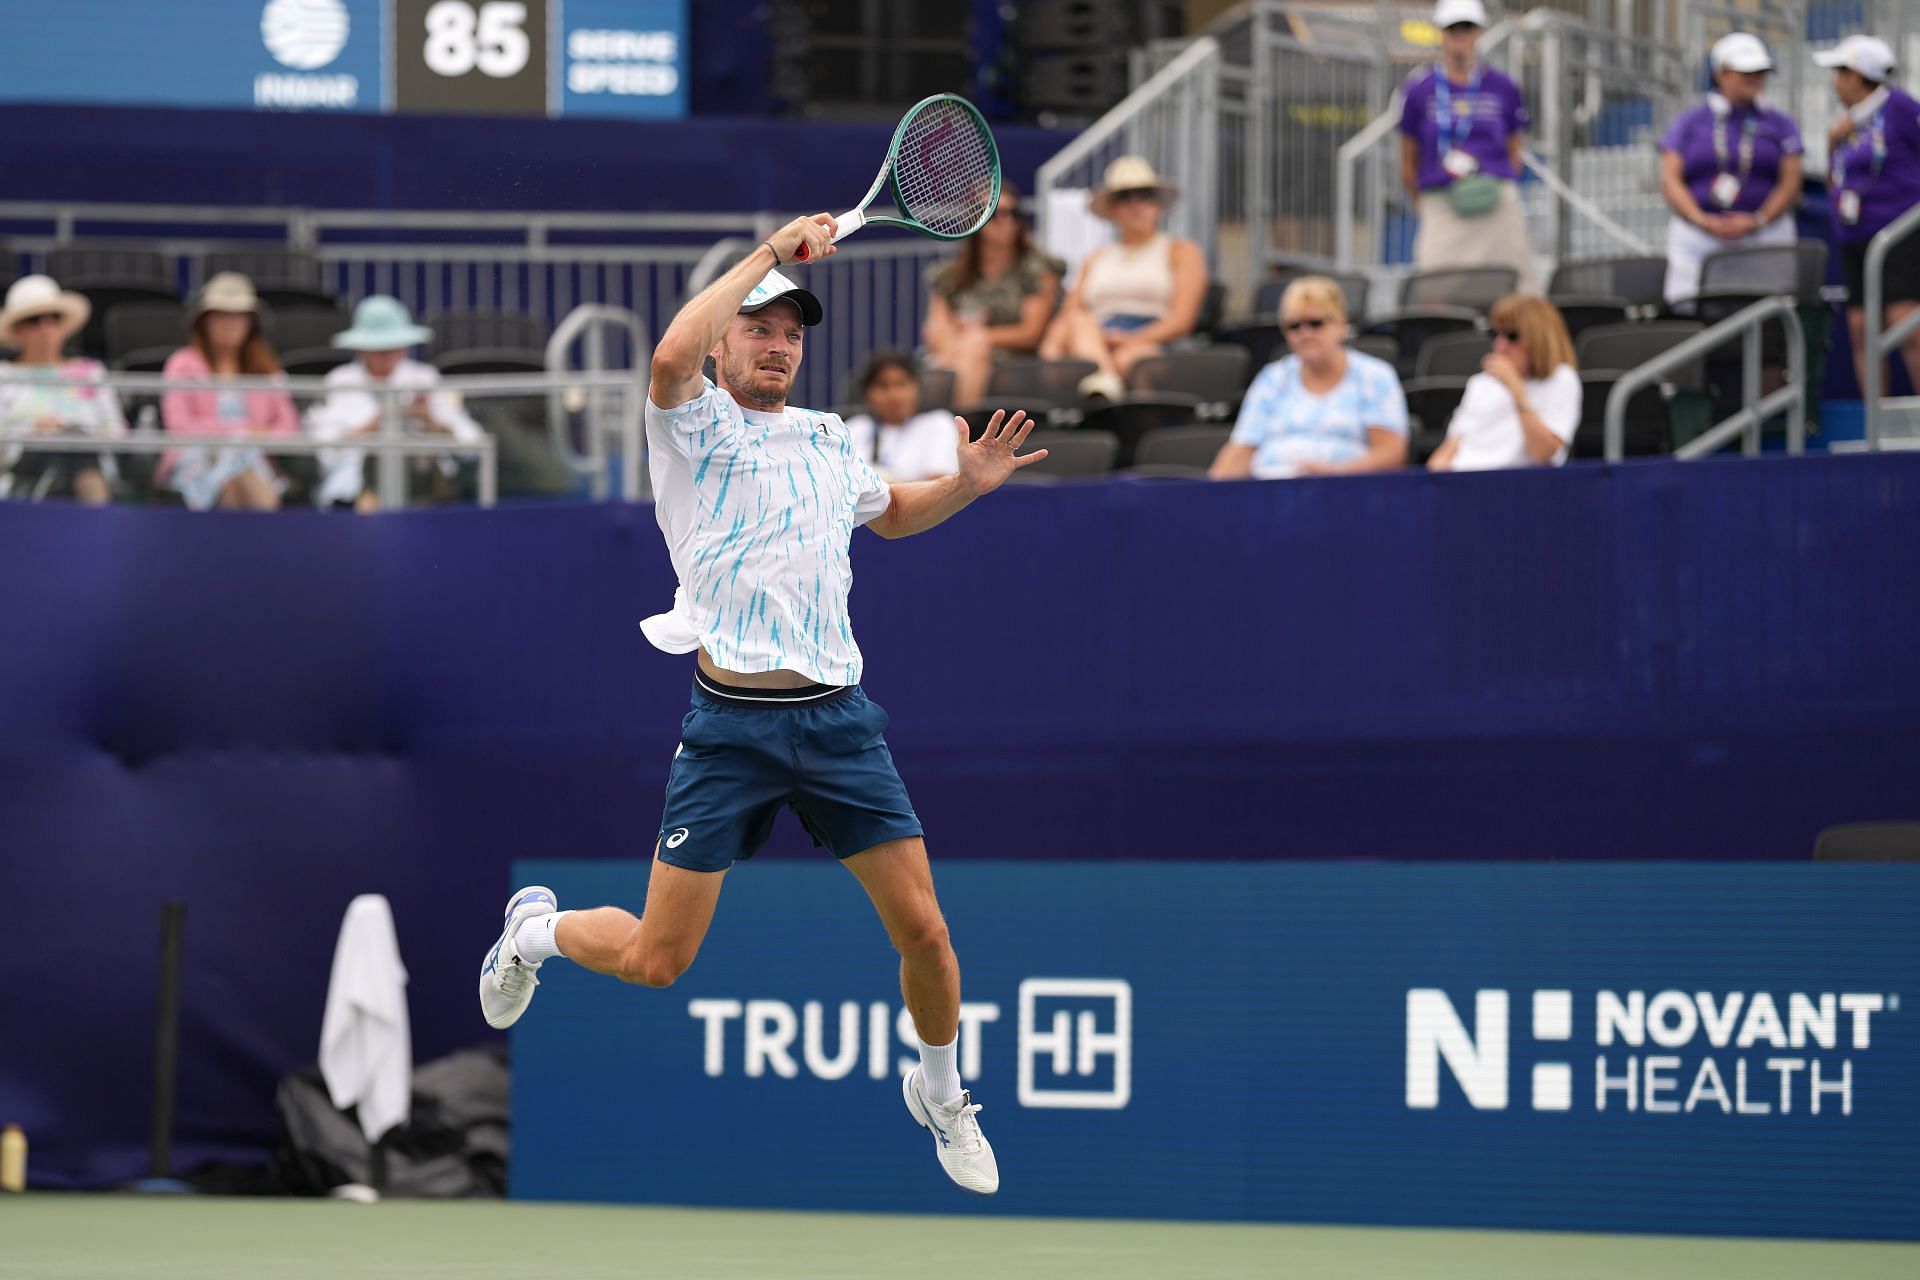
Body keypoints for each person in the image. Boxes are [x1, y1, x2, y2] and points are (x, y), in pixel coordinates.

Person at [475, 214, 1046, 1196]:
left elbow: (896, 514)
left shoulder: (828, 438)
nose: (778, 342)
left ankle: (942, 1092)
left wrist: (969, 483)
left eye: (791, 332)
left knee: (927, 931)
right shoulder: (687, 423)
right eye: (760, 327)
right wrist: (769, 254)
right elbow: (665, 354)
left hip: (838, 723)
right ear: (728, 338)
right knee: (658, 960)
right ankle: (533, 931)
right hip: (731, 729)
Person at [1038, 155, 1208, 401]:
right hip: (1095, 339)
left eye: (1145, 196)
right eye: (1125, 198)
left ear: (1158, 205)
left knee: (1132, 359)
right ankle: (1106, 376)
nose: (1136, 205)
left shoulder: (1182, 250)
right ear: (1113, 209)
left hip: (1157, 339)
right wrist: (1053, 348)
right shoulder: (1095, 257)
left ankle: (1108, 387)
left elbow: (1182, 320)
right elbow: (1071, 311)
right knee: (1075, 325)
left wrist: (1129, 340)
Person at [1398, 0, 1539, 292]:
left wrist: (1494, 182)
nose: (1460, 35)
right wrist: (1427, 199)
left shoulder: (1503, 86)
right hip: (1442, 203)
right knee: (1434, 291)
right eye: (1453, 28)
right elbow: (1408, 160)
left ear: (1479, 32)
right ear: (1440, 32)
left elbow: (1515, 150)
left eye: (1467, 27)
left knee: (1516, 290)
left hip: (1495, 202)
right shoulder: (1419, 90)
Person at [1209, 276, 1408, 479]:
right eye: (1294, 326)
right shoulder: (1272, 378)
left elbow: (1390, 454)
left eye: (1316, 323)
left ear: (1341, 324)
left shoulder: (1373, 376)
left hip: (1345, 495)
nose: (1305, 333)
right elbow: (1241, 449)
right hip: (1269, 495)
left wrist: (1334, 473)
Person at [1660, 32, 1805, 308]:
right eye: (1745, 71)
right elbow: (1670, 180)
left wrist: (1758, 220)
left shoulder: (1780, 124)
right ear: (1721, 74)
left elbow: (1790, 183)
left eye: (1759, 72)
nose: (1754, 78)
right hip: (1699, 239)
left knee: (1770, 315)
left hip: (1765, 237)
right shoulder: (1690, 122)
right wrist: (1701, 219)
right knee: (1690, 312)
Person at [305, 296, 486, 511]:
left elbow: (472, 444)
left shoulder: (425, 378)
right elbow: (323, 449)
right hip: (350, 502)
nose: (387, 353)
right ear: (361, 347)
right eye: (378, 347)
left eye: (393, 345)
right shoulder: (339, 382)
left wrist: (431, 422)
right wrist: (374, 425)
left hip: (426, 500)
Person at [1817, 34, 1920, 397]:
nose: (1834, 84)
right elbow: (1835, 180)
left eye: (1840, 73)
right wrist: (1832, 142)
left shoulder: (1901, 107)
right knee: (1861, 328)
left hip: (1899, 235)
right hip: (1854, 238)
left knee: (1904, 323)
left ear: (1858, 76)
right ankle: (1874, 425)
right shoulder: (1846, 124)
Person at [159, 273, 299, 511]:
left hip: (257, 462)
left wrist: (256, 438)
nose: (230, 324)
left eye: (239, 317)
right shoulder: (182, 364)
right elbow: (180, 426)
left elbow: (289, 428)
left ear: (250, 324)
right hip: (196, 460)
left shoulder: (267, 368)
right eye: (221, 316)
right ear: (205, 322)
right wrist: (241, 432)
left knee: (242, 473)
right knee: (235, 477)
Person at [921, 183, 1064, 407]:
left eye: (1013, 213)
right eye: (995, 214)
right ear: (974, 219)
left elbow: (1031, 332)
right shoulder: (949, 277)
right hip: (955, 356)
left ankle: (959, 430)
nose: (1005, 221)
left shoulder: (1038, 270)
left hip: (1016, 362)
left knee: (973, 347)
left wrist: (981, 336)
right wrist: (960, 343)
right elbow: (936, 332)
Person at [0, 275, 124, 504]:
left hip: (86, 461)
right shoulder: (3, 375)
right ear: (17, 330)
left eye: (54, 318)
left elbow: (116, 432)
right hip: (22, 471)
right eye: (34, 320)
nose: (46, 328)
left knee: (75, 445)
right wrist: (33, 432)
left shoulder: (91, 371)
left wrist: (74, 431)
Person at [1427, 294, 1581, 472]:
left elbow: (1544, 454)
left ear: (1539, 338)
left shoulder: (1561, 379)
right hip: (1465, 481)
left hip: (1518, 486)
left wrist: (1516, 390)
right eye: (1495, 334)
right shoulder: (1480, 383)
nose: (1501, 345)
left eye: (1512, 336)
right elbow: (1450, 447)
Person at [842, 350, 960, 482]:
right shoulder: (854, 427)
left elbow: (940, 484)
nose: (894, 395)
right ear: (867, 394)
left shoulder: (938, 423)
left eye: (902, 384)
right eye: (883, 386)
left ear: (917, 387)